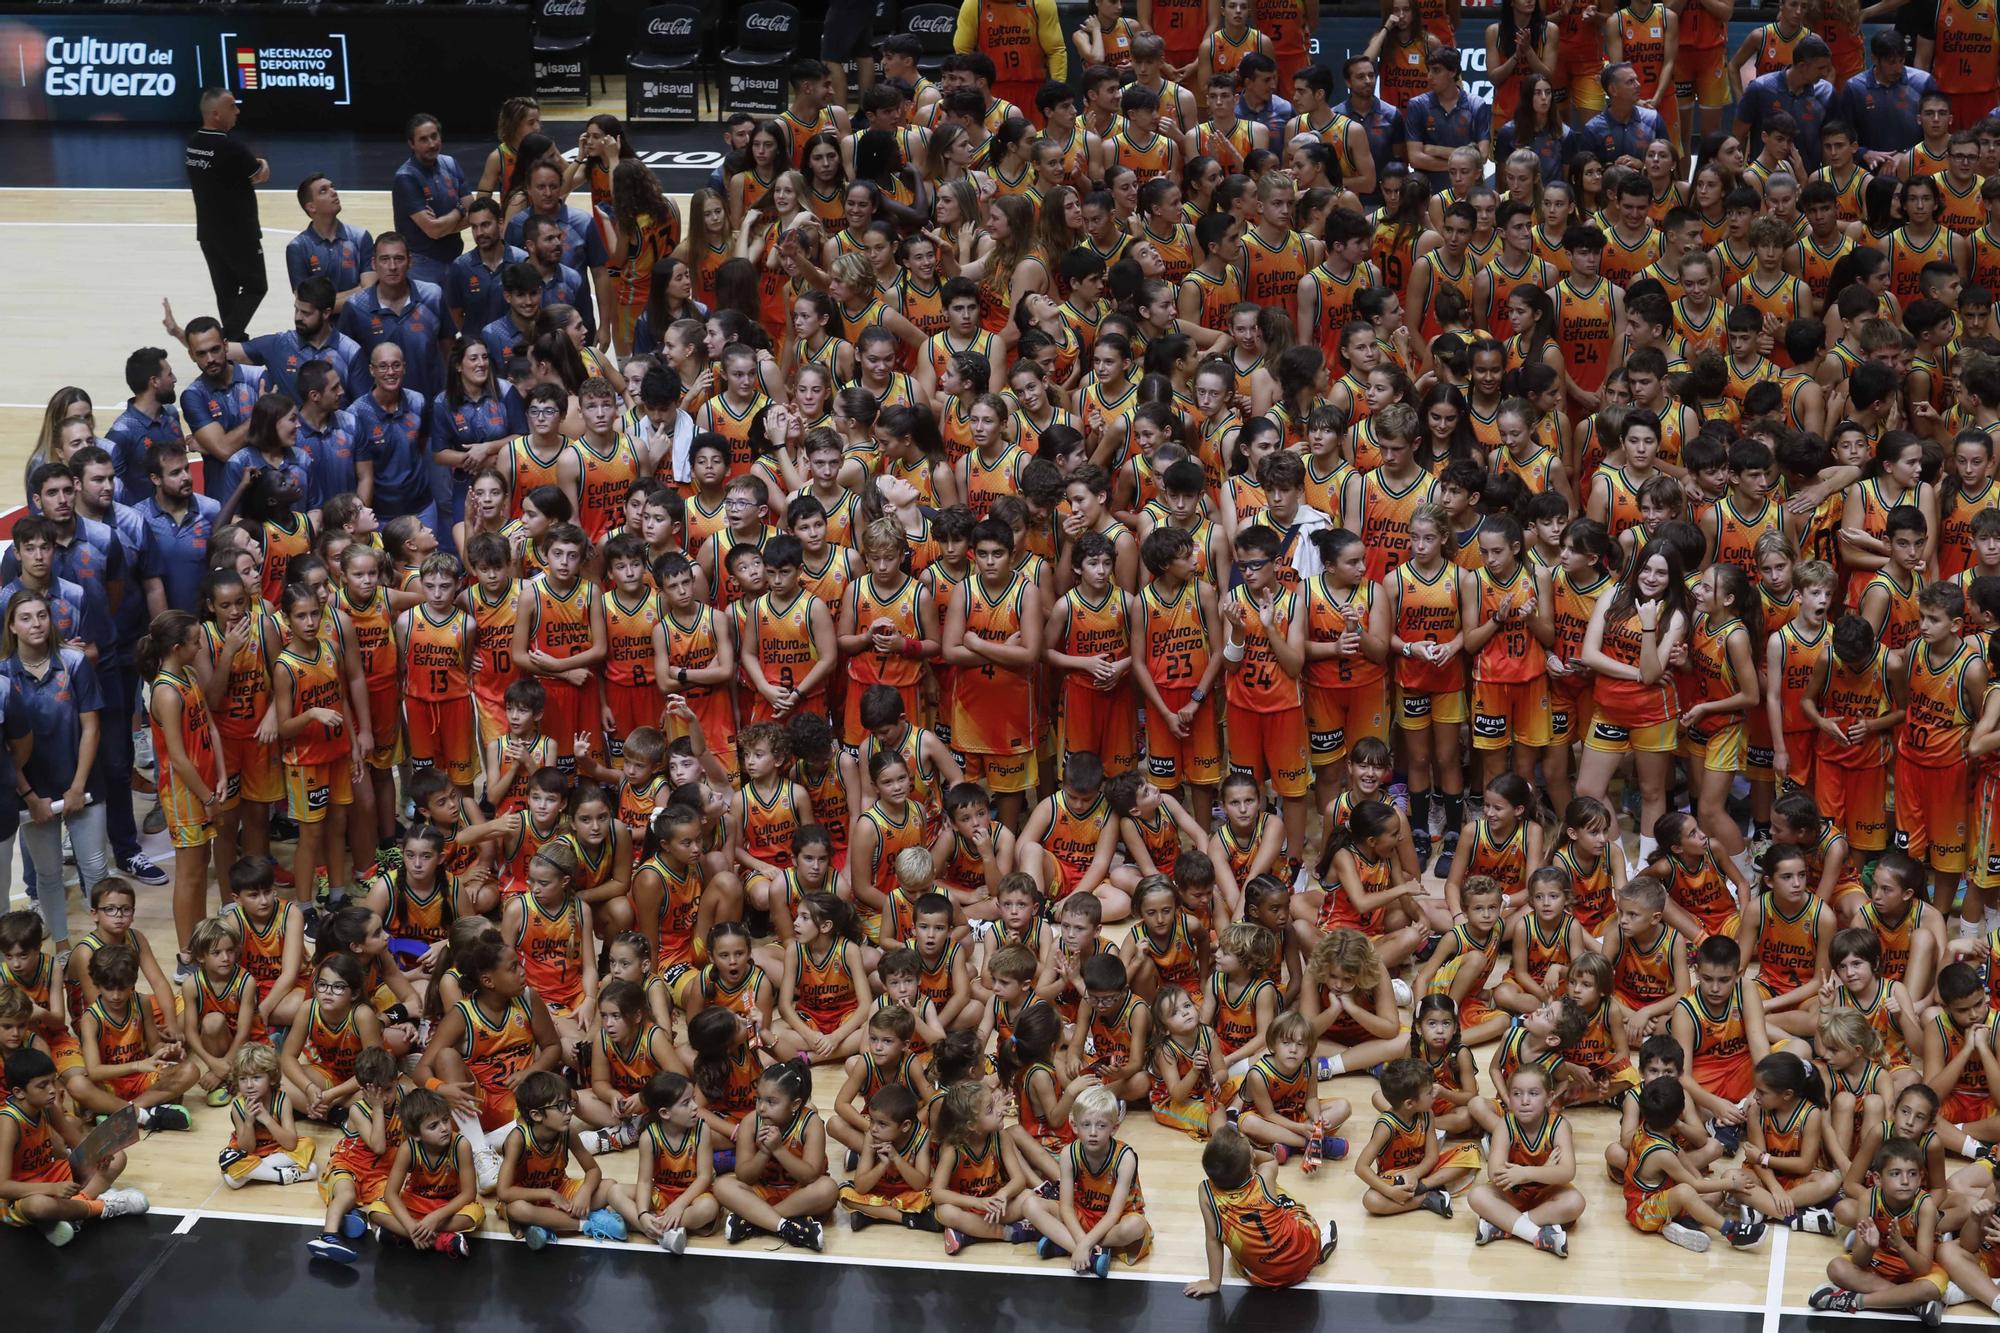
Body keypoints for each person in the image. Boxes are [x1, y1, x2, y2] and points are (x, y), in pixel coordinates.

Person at [184, 87, 269, 341]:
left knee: (226, 292)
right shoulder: (231, 148)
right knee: (256, 286)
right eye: (232, 106)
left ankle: (233, 341)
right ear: (216, 114)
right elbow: (258, 174)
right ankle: (228, 339)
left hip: (209, 234)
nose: (238, 110)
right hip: (239, 234)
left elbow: (218, 178)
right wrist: (263, 162)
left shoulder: (193, 145)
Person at [393, 113, 475, 288]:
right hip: (422, 266)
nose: (431, 144)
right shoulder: (406, 177)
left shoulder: (450, 164)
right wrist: (459, 210)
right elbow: (433, 230)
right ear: (411, 144)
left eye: (434, 136)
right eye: (423, 139)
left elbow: (473, 214)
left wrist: (442, 224)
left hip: (454, 258)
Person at [1734, 35, 1836, 171]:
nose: (1825, 73)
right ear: (1802, 66)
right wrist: (1739, 175)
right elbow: (1739, 134)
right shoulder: (1760, 88)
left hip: (1807, 181)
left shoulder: (1826, 92)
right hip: (1763, 180)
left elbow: (1829, 141)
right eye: (1820, 68)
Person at [286, 174, 375, 310]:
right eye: (324, 190)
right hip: (320, 330)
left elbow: (370, 293)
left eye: (332, 187)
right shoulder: (297, 248)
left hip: (358, 325)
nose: (334, 192)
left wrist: (323, 305)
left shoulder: (361, 237)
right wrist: (358, 290)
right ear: (311, 207)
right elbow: (306, 304)